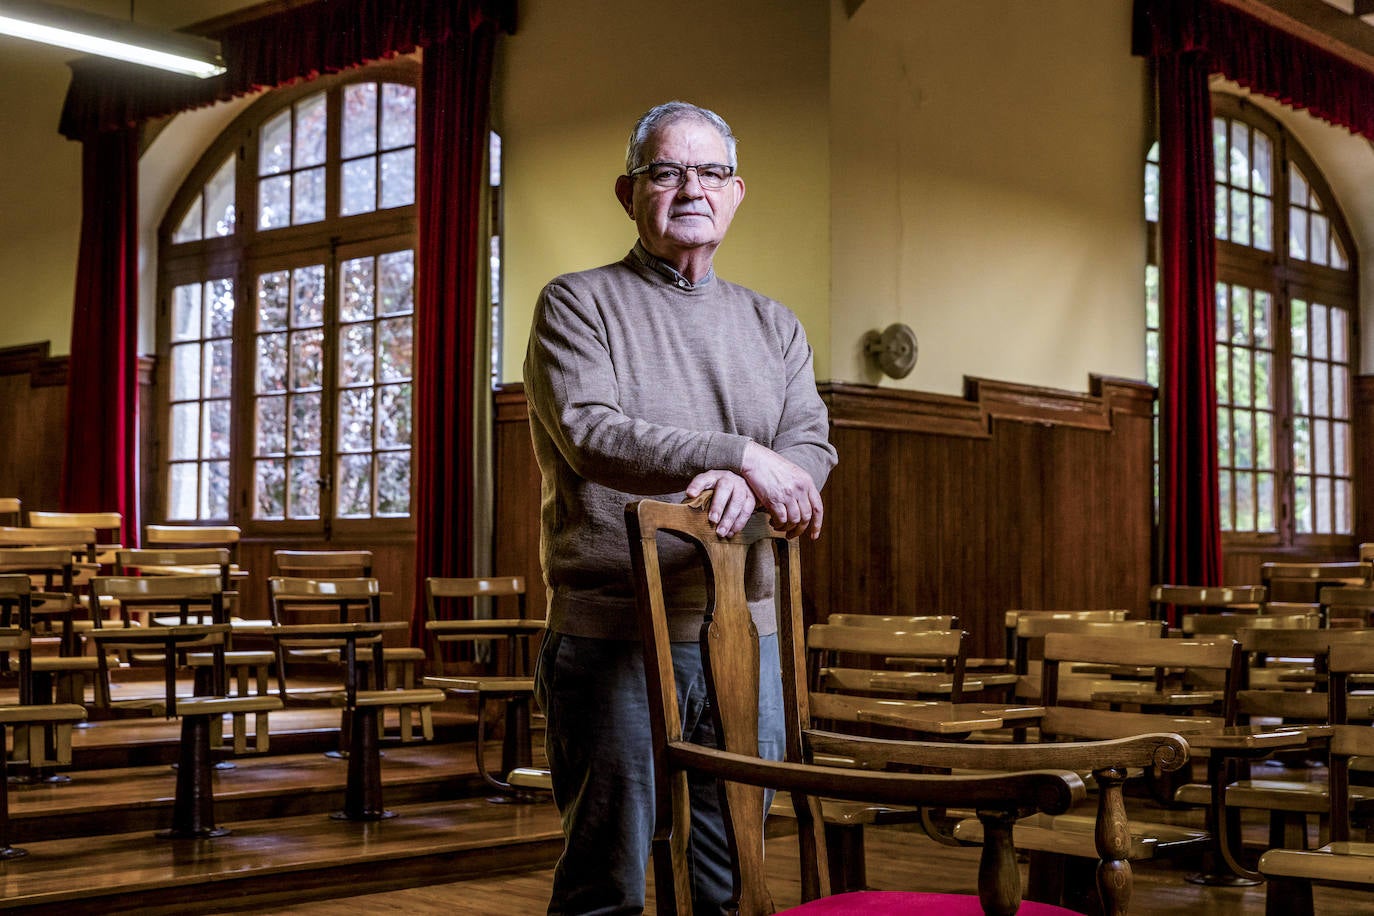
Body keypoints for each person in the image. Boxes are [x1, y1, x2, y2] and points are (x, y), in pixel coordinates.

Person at [524, 100, 838, 915]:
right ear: (629, 194)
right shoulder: (577, 303)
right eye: (665, 171)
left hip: (747, 631)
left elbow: (809, 446)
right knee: (608, 880)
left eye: (710, 172)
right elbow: (592, 433)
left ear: (738, 193)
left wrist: (756, 477)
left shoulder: (775, 324)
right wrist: (737, 452)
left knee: (732, 878)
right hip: (614, 631)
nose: (690, 187)